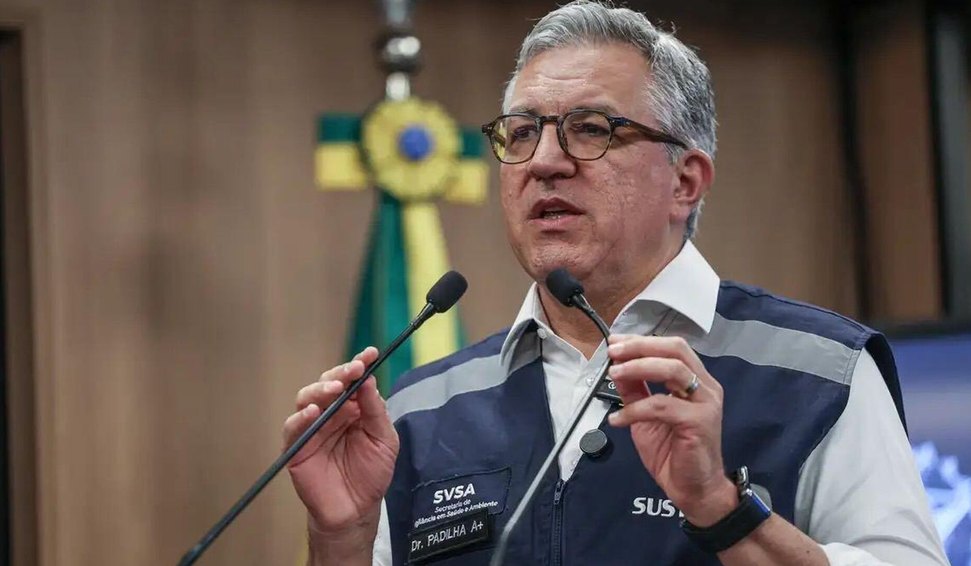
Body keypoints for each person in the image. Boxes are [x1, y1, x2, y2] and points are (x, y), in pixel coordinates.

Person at [283, 2, 948, 564]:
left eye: (591, 130)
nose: (544, 161)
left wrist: (722, 507)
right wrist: (340, 536)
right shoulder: (421, 405)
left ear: (685, 181)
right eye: (521, 133)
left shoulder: (822, 373)